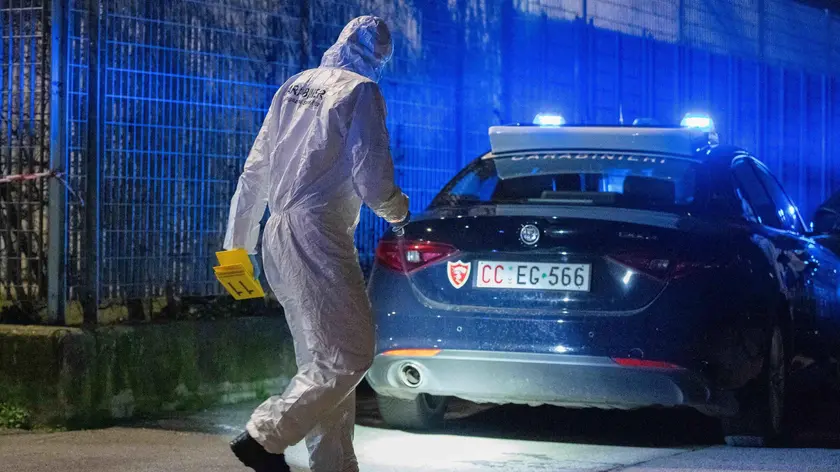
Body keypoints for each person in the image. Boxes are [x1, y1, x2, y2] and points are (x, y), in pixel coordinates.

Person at [224, 15, 409, 472]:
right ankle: (264, 436)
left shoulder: (294, 85)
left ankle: (334, 465)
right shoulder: (362, 91)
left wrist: (236, 249)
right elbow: (373, 181)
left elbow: (255, 171)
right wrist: (398, 209)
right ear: (381, 57)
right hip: (319, 235)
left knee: (322, 366)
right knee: (352, 355)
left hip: (277, 232)